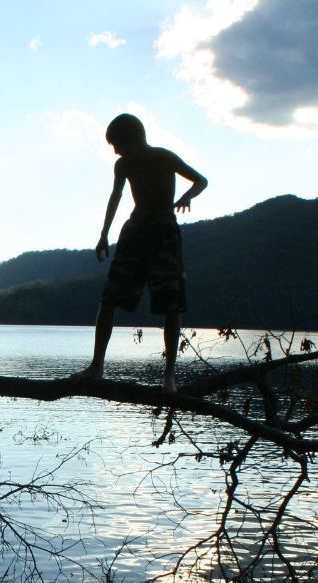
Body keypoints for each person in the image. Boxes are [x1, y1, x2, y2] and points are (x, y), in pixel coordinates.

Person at [73, 113, 208, 392]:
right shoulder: (122, 165)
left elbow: (200, 180)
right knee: (110, 297)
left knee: (171, 303)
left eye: (117, 143)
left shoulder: (163, 157)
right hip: (134, 230)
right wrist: (103, 235)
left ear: (132, 138)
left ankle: (169, 377)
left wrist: (186, 197)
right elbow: (116, 197)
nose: (115, 150)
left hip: (163, 231)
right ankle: (97, 366)